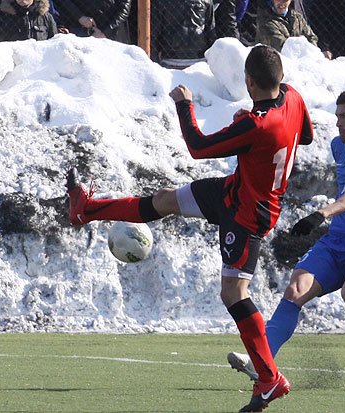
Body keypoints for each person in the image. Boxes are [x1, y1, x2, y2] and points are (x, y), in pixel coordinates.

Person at [65, 45, 314, 412]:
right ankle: (86, 209)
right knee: (166, 199)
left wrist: (184, 103)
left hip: (249, 215)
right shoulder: (292, 97)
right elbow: (305, 136)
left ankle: (269, 379)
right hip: (235, 192)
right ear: (278, 80)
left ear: (249, 81)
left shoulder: (256, 123)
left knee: (233, 293)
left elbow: (197, 147)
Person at [227, 88, 345, 393]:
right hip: (337, 242)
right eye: (337, 116)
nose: (338, 123)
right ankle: (261, 363)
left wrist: (321, 213)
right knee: (295, 289)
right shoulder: (339, 147)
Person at [151, 0, 216, 62]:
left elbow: (154, 33)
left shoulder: (159, 2)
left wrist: (154, 62)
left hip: (170, 56)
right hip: (199, 55)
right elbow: (211, 31)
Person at [54, 0, 132, 43]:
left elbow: (124, 7)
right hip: (82, 29)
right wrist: (80, 17)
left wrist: (106, 33)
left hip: (114, 32)